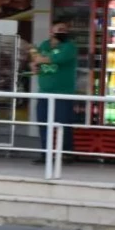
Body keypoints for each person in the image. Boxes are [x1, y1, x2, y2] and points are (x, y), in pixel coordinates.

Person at [30, 19, 77, 164]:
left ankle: (67, 154)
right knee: (43, 123)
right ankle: (46, 153)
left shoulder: (69, 47)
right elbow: (36, 61)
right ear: (51, 31)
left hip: (63, 93)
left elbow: (56, 59)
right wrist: (35, 65)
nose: (62, 32)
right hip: (44, 92)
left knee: (63, 124)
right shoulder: (45, 45)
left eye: (64, 29)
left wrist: (39, 59)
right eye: (59, 29)